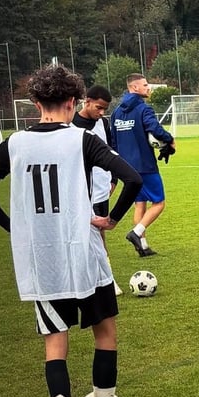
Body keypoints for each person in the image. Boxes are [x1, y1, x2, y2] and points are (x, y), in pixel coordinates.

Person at [0, 64, 143, 397]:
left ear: (36, 103)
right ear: (73, 102)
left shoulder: (14, 144)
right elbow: (132, 179)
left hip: (42, 261)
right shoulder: (82, 140)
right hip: (85, 255)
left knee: (55, 343)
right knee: (105, 334)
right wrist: (111, 219)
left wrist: (14, 227)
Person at [109, 73, 175, 257]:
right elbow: (155, 129)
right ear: (134, 87)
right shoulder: (144, 109)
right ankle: (136, 233)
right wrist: (170, 140)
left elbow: (113, 141)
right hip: (145, 166)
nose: (148, 87)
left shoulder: (116, 112)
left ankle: (143, 247)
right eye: (145, 85)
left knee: (139, 204)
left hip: (126, 168)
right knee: (159, 202)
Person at [72, 85, 122, 295]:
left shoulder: (103, 123)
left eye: (104, 109)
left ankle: (107, 278)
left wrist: (114, 178)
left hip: (101, 190)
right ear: (87, 101)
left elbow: (111, 150)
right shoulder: (71, 124)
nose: (101, 112)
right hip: (80, 191)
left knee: (100, 234)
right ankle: (82, 278)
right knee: (80, 236)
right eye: (98, 107)